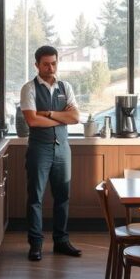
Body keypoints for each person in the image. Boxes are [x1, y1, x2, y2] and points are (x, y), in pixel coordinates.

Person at [20, 45, 82, 261]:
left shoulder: (66, 87)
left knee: (63, 197)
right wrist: (60, 116)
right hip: (39, 149)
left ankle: (61, 241)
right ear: (37, 65)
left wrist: (47, 112)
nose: (50, 67)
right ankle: (35, 244)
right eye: (46, 64)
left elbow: (75, 118)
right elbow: (31, 120)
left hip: (63, 149)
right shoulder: (28, 88)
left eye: (54, 63)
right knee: (35, 198)